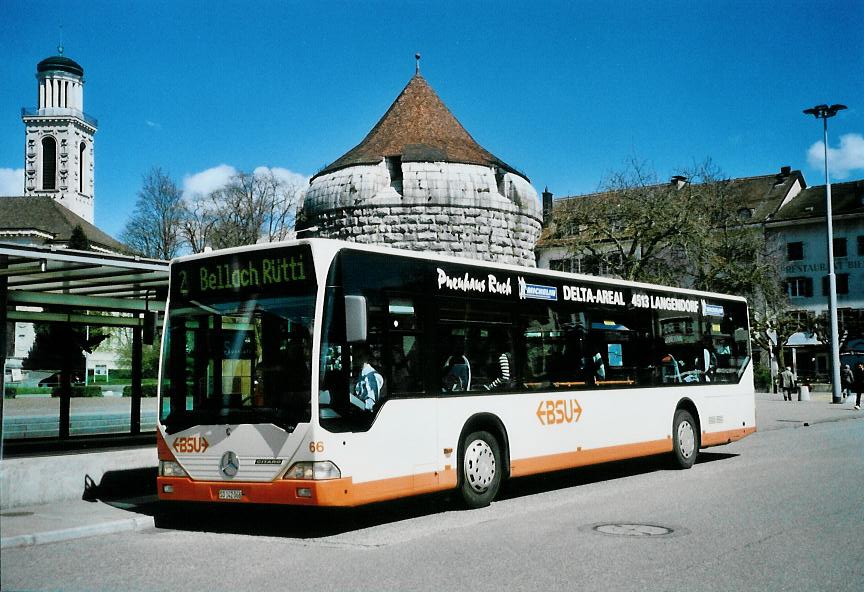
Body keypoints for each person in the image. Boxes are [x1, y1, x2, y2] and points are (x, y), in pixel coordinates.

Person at [350, 344, 384, 412]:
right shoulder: (361, 374)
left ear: (367, 357)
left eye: (359, 357)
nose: (356, 360)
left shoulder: (371, 376)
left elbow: (370, 406)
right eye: (354, 357)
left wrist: (351, 399)